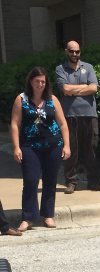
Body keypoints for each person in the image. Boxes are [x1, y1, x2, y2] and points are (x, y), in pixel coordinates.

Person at [10, 66, 71, 231]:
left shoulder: (52, 99)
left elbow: (63, 124)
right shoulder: (21, 99)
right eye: (37, 81)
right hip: (29, 146)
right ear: (31, 81)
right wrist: (16, 147)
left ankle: (48, 215)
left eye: (43, 81)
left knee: (50, 181)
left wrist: (67, 145)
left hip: (53, 146)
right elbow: (15, 125)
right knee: (31, 179)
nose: (40, 84)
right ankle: (28, 217)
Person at [55, 40, 100, 194]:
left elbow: (93, 88)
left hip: (90, 114)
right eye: (71, 51)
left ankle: (94, 182)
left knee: (92, 149)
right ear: (66, 51)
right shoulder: (60, 69)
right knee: (71, 149)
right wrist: (84, 87)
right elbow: (65, 89)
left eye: (77, 51)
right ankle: (71, 182)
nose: (74, 54)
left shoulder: (88, 67)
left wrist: (75, 90)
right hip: (70, 115)